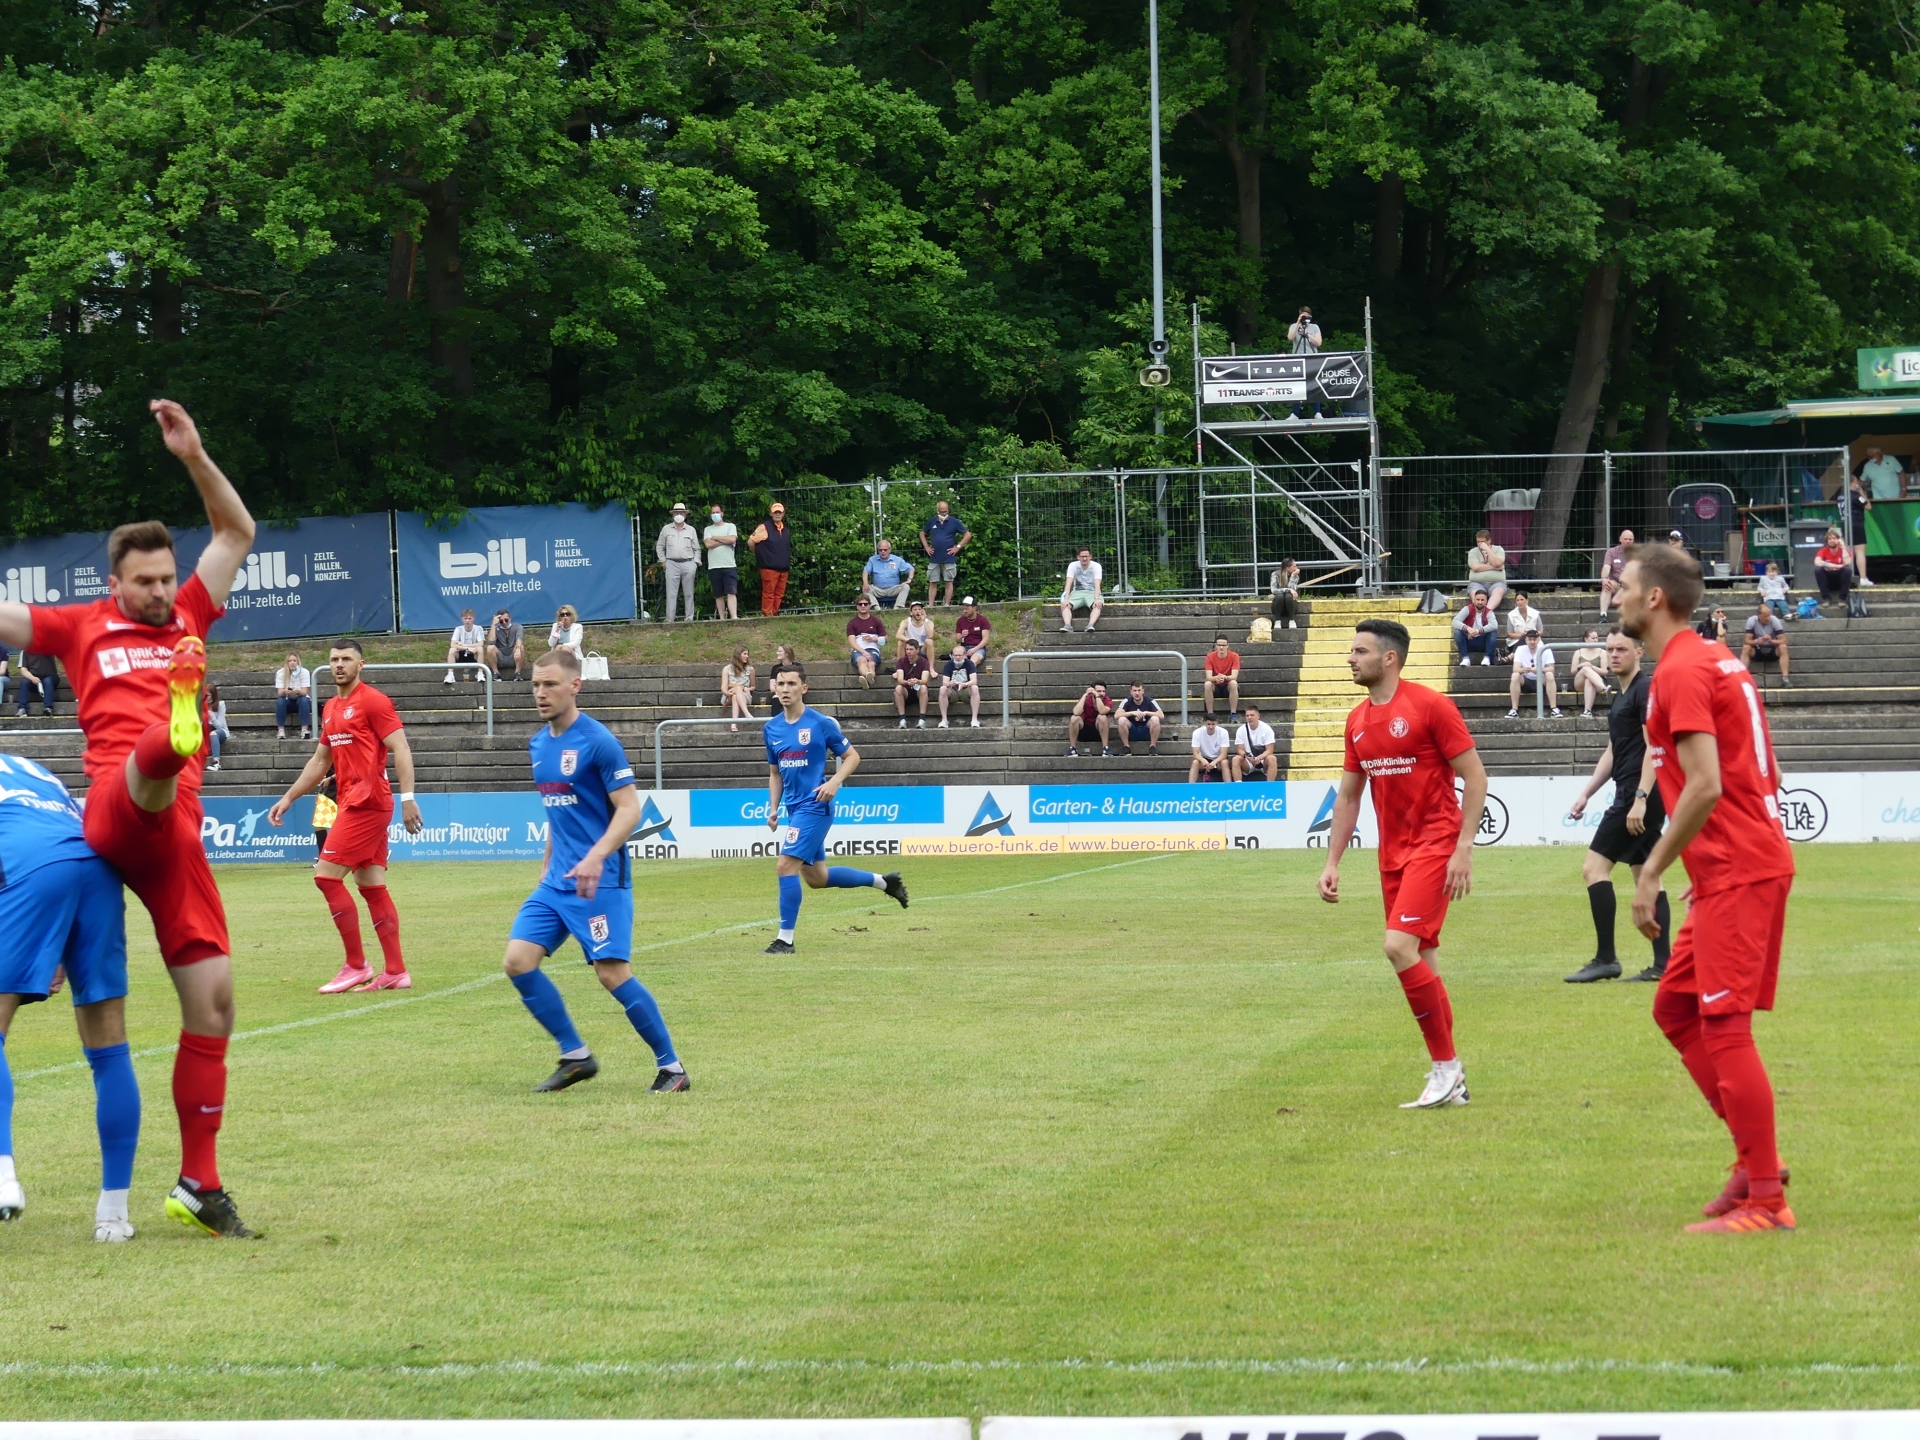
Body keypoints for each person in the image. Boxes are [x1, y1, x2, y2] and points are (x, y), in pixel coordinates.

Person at [0, 399, 257, 1238]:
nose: (158, 592)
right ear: (114, 583)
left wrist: (194, 455)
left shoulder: (191, 611)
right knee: (147, 775)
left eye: (164, 578)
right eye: (143, 582)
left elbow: (237, 532)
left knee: (214, 1002)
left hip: (176, 836)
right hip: (116, 807)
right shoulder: (79, 626)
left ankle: (199, 1184)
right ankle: (172, 734)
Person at [1618, 541, 1797, 1233]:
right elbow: (1757, 770)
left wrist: (1653, 870)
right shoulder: (1713, 659)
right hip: (1732, 866)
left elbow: (1706, 784)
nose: (1616, 594)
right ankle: (1756, 1161)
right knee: (1675, 1008)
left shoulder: (1683, 670)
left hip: (1739, 868)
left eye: (1625, 585)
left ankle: (1766, 1199)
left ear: (1654, 598)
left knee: (1723, 1024)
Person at [1317, 619, 1488, 1109]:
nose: (1350, 658)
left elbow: (1475, 777)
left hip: (1435, 844)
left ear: (1388, 658)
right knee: (1423, 961)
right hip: (1392, 855)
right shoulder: (1356, 720)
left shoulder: (1431, 706)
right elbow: (1349, 797)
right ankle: (1452, 1076)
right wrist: (1332, 861)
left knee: (1397, 946)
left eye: (1360, 651)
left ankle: (1446, 1068)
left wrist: (1464, 846)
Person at [501, 648, 687, 1093]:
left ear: (575, 686)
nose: (540, 693)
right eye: (535, 685)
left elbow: (629, 809)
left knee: (611, 973)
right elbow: (559, 810)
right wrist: (548, 861)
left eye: (550, 684)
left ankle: (673, 1069)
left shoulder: (598, 741)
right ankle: (576, 1056)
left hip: (600, 880)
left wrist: (596, 855)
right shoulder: (538, 744)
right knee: (518, 962)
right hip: (557, 881)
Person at [0, 752, 142, 1242]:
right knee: (109, 1045)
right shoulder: (29, 767)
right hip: (95, 866)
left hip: (30, 866)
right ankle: (114, 1216)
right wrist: (55, 940)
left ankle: (2, 1176)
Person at [267, 638, 426, 995]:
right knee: (371, 885)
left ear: (360, 664)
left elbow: (400, 747)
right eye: (334, 659)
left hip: (368, 802)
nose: (339, 665)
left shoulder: (374, 701)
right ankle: (396, 971)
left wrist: (408, 798)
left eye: (346, 659)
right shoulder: (330, 708)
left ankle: (357, 965)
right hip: (351, 800)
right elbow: (319, 761)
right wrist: (289, 797)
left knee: (326, 877)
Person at [760, 663, 908, 955]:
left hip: (816, 806)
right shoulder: (771, 728)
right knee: (818, 879)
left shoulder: (820, 723)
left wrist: (835, 781)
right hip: (794, 810)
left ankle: (785, 940)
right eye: (781, 684)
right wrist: (773, 808)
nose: (786, 689)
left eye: (792, 684)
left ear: (804, 688)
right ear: (775, 688)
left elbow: (852, 756)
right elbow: (775, 773)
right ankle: (884, 882)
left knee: (785, 865)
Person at [1564, 627, 1669, 984]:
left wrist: (1640, 798)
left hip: (1638, 794)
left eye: (1621, 649)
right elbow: (1613, 751)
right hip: (1637, 792)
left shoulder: (1644, 690)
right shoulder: (1623, 695)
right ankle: (1663, 965)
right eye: (1609, 649)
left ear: (1639, 652)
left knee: (1594, 869)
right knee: (1645, 874)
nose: (1613, 655)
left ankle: (1606, 959)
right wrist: (1587, 793)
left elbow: (1655, 748)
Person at [655, 503, 702, 623]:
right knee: (671, 593)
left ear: (685, 515)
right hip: (671, 563)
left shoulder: (691, 530)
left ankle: (689, 619)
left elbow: (697, 549)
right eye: (676, 512)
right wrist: (663, 561)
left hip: (688, 563)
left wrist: (695, 563)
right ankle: (670, 619)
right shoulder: (666, 529)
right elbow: (660, 546)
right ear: (673, 515)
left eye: (681, 513)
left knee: (689, 593)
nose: (679, 515)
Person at [919, 500, 971, 607]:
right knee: (933, 581)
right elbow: (922, 534)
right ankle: (931, 606)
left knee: (949, 581)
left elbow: (967, 535)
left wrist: (957, 547)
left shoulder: (954, 522)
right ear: (937, 510)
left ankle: (947, 605)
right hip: (934, 557)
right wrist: (927, 547)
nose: (944, 513)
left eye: (946, 511)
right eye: (942, 511)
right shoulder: (932, 521)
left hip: (949, 557)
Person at [748, 503, 792, 616]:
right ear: (771, 513)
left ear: (783, 513)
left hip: (783, 568)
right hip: (769, 567)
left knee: (779, 593)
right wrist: (759, 554)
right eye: (775, 512)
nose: (777, 514)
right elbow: (751, 542)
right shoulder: (764, 527)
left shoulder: (785, 530)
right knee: (769, 593)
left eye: (779, 512)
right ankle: (767, 616)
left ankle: (774, 614)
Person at [1507, 629, 1562, 718]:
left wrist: (1540, 670)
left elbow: (1552, 669)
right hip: (1526, 681)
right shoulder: (1520, 649)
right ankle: (1514, 709)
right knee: (1515, 675)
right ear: (1526, 640)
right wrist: (1524, 670)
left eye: (1534, 639)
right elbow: (1515, 669)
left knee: (1549, 675)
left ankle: (1554, 708)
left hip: (1541, 680)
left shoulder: (1545, 649)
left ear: (1538, 639)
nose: (1532, 642)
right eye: (1530, 639)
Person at [703, 504, 740, 620]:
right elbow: (708, 544)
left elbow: (732, 539)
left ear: (722, 513)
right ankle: (722, 618)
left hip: (729, 565)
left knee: (731, 592)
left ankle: (734, 617)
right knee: (718, 594)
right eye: (713, 513)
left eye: (717, 512)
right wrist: (724, 540)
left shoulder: (730, 526)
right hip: (714, 566)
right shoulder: (708, 529)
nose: (715, 515)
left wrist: (716, 538)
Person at [1742, 602, 1790, 683]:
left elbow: (1784, 640)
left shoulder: (1774, 620)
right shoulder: (1752, 620)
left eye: (1769, 615)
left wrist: (1772, 641)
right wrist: (1756, 642)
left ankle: (1785, 678)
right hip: (1757, 650)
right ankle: (1742, 677)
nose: (1768, 618)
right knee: (1746, 647)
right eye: (1765, 616)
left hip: (1772, 650)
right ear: (1758, 615)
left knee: (1783, 647)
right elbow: (1746, 640)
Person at [862, 539, 915, 611]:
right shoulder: (872, 560)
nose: (883, 552)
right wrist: (865, 583)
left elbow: (911, 569)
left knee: (906, 587)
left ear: (889, 550)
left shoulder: (897, 560)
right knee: (865, 588)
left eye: (885, 550)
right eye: (880, 550)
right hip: (878, 589)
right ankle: (876, 608)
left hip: (893, 589)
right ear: (878, 550)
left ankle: (897, 608)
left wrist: (909, 579)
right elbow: (865, 572)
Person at [1059, 548, 1104, 633]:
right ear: (1078, 557)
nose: (1084, 558)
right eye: (1082, 556)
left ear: (1090, 557)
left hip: (1092, 592)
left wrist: (1097, 598)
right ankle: (1067, 625)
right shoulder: (1073, 565)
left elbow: (1097, 583)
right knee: (1065, 605)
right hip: (1077, 592)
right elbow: (1068, 583)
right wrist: (1066, 599)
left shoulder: (1096, 566)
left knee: (1098, 605)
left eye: (1086, 556)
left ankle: (1090, 625)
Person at [937, 643, 980, 728]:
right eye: (955, 655)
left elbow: (974, 681)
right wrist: (950, 683)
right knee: (943, 689)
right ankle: (944, 720)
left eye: (960, 655)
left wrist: (964, 684)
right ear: (952, 655)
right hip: (952, 691)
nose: (957, 657)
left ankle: (974, 719)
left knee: (975, 688)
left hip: (965, 691)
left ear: (965, 655)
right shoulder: (949, 664)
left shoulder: (969, 663)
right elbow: (944, 682)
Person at [1569, 629, 1609, 717]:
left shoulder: (1602, 652)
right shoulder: (1578, 652)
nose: (1596, 640)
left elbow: (1605, 672)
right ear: (1586, 639)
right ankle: (1604, 688)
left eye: (1597, 638)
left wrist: (1592, 667)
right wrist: (1581, 666)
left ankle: (1587, 710)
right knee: (1585, 669)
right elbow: (1573, 671)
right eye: (1593, 638)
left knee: (1588, 680)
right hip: (1580, 682)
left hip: (1597, 682)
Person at [846, 599, 886, 687]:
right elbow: (852, 642)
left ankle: (867, 679)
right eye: (860, 604)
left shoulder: (876, 621)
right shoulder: (852, 623)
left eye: (865, 604)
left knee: (871, 664)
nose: (863, 606)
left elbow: (886, 638)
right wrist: (863, 652)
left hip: (873, 648)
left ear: (869, 605)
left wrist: (874, 639)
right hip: (858, 650)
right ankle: (869, 677)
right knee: (862, 660)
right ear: (857, 606)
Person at [1453, 590, 1499, 665]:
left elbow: (1494, 625)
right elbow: (1455, 621)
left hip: (1482, 642)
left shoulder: (1489, 612)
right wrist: (1468, 629)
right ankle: (1465, 658)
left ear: (1486, 601)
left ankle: (1487, 658)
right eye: (1478, 599)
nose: (1480, 602)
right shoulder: (1468, 608)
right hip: (1468, 641)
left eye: (1482, 600)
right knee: (1457, 632)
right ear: (1474, 600)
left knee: (1493, 632)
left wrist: (1477, 631)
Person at [893, 639, 932, 728]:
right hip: (906, 690)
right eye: (907, 649)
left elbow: (925, 680)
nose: (908, 652)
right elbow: (900, 679)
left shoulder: (924, 662)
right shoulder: (901, 661)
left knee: (923, 687)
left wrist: (917, 681)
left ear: (917, 650)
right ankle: (902, 719)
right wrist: (907, 682)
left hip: (918, 689)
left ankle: (922, 719)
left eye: (911, 649)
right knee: (898, 688)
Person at [1467, 530, 1509, 611]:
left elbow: (1497, 563)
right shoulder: (1473, 552)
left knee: (1498, 591)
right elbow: (1475, 567)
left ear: (1489, 540)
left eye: (1482, 542)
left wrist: (1487, 549)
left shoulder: (1498, 549)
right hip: (1477, 583)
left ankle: (1486, 612)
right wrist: (1495, 567)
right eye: (1478, 542)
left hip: (1497, 583)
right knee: (1476, 594)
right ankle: (1481, 612)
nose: (1480, 544)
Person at [1115, 684, 1162, 755]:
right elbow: (1116, 715)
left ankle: (1153, 747)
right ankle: (1126, 747)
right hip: (1132, 731)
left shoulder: (1150, 700)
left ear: (1143, 691)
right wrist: (1132, 713)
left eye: (1139, 690)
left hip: (1147, 731)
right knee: (1121, 720)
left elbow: (1161, 715)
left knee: (1155, 719)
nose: (1137, 693)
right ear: (1131, 692)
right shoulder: (1126, 700)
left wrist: (1146, 713)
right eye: (1134, 690)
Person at [274, 652, 312, 739]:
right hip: (287, 700)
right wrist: (285, 691)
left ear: (298, 662)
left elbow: (304, 692)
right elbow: (279, 693)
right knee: (280, 701)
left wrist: (297, 691)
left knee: (304, 699)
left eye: (294, 661)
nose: (292, 663)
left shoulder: (304, 672)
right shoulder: (280, 673)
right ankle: (281, 731)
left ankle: (304, 730)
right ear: (286, 663)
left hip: (301, 701)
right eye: (290, 661)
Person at [1067, 683, 1112, 757]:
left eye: (1103, 691)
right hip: (1084, 730)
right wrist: (1085, 695)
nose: (1102, 694)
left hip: (1099, 732)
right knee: (1074, 718)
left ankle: (1105, 748)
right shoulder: (1086, 699)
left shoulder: (1107, 700)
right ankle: (1073, 749)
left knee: (1102, 717)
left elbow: (1102, 711)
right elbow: (1076, 712)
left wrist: (1097, 696)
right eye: (1099, 691)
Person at [1202, 636, 1241, 720]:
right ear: (1216, 646)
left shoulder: (1234, 656)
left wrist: (1225, 677)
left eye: (1223, 645)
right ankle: (1210, 714)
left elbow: (1234, 676)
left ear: (1228, 646)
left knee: (1233, 683)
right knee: (1207, 684)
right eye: (1219, 645)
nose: (1221, 647)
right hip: (1215, 686)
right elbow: (1209, 677)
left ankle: (1233, 714)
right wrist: (1216, 678)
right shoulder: (1210, 657)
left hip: (1228, 686)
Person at [1235, 705, 1278, 781]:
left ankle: (1270, 785)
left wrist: (1259, 758)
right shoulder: (1241, 730)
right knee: (1236, 759)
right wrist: (1247, 756)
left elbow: (1270, 750)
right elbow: (1240, 750)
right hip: (1248, 761)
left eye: (1252, 715)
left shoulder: (1267, 729)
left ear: (1258, 716)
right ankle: (1238, 785)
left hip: (1263, 760)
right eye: (1247, 716)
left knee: (1272, 758)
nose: (1249, 717)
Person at [1845, 472, 1873, 586]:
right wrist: (1861, 491)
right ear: (1853, 483)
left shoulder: (1840, 496)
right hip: (1856, 524)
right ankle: (1863, 578)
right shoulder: (1856, 496)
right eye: (1856, 482)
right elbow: (1868, 506)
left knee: (1848, 552)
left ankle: (1847, 577)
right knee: (1860, 551)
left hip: (1845, 525)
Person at [1812, 527, 1852, 607]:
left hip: (1840, 580)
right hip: (1828, 580)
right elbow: (1817, 562)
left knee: (1847, 570)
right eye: (1829, 539)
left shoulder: (1844, 550)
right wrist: (1836, 566)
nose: (1832, 540)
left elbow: (1847, 562)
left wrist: (1843, 546)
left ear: (1838, 540)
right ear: (1827, 541)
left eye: (1834, 538)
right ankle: (1826, 599)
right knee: (1818, 570)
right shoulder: (1823, 551)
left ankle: (1842, 599)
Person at [445, 608, 485, 683]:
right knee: (452, 650)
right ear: (462, 619)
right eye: (465, 618)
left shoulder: (479, 628)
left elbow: (481, 643)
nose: (467, 621)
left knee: (480, 649)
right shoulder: (458, 629)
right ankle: (450, 675)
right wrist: (467, 648)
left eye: (469, 618)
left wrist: (463, 644)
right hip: (461, 654)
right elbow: (452, 644)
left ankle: (480, 673)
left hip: (473, 655)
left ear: (473, 619)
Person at [1599, 529, 1635, 614]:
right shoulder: (1611, 552)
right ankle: (1603, 614)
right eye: (1625, 539)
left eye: (1630, 539)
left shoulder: (1637, 554)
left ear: (1633, 540)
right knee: (1608, 584)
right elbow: (1606, 567)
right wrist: (1604, 578)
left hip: (1631, 587)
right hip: (1617, 585)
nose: (1628, 541)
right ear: (1620, 539)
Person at [1188, 713, 1232, 781]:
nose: (1211, 727)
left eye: (1213, 724)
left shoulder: (1223, 732)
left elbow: (1224, 754)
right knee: (1195, 762)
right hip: (1204, 759)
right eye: (1208, 724)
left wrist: (1214, 762)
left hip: (1218, 760)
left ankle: (1228, 785)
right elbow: (1195, 753)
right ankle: (1191, 786)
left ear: (1216, 723)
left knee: (1224, 762)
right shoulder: (1197, 732)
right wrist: (1203, 760)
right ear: (1204, 723)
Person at [721, 647, 755, 732]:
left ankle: (734, 723)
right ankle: (747, 714)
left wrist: (748, 689)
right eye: (745, 654)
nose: (747, 656)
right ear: (738, 655)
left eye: (748, 654)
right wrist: (727, 693)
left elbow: (753, 686)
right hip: (729, 695)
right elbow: (724, 686)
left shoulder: (750, 669)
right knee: (736, 692)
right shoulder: (727, 669)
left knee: (736, 696)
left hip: (745, 696)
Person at [13, 652, 58, 716]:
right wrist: (32, 678)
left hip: (50, 677)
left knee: (48, 681)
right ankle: (22, 709)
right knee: (24, 682)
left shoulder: (48, 648)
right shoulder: (25, 651)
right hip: (32, 678)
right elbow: (23, 670)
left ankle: (48, 708)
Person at [487, 607, 526, 681]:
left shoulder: (517, 627)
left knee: (520, 646)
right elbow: (491, 642)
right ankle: (496, 673)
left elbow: (519, 638)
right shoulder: (496, 628)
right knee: (490, 648)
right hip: (500, 657)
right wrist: (493, 625)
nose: (504, 622)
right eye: (501, 621)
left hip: (514, 656)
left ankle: (517, 673)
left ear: (510, 618)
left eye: (506, 620)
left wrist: (518, 649)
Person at [895, 599, 936, 664]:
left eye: (920, 609)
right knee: (900, 642)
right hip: (910, 647)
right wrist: (912, 641)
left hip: (922, 648)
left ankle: (931, 667)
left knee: (929, 641)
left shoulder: (929, 622)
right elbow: (898, 635)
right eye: (915, 609)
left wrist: (924, 621)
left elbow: (930, 636)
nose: (918, 611)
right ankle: (900, 666)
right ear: (911, 613)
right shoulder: (906, 622)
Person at [955, 598, 991, 667]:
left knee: (974, 659)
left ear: (974, 608)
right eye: (963, 609)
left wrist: (975, 649)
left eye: (967, 609)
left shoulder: (982, 620)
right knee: (958, 658)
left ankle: (971, 672)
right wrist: (962, 635)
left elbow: (985, 639)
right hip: (964, 647)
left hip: (978, 648)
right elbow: (957, 640)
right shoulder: (960, 621)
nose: (964, 611)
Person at [1270, 559, 1302, 628]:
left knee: (1288, 596)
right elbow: (1274, 590)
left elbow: (1293, 590)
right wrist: (1288, 589)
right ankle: (1277, 621)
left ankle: (1292, 620)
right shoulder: (1275, 574)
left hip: (1291, 606)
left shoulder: (1295, 576)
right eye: (1294, 566)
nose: (1296, 568)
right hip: (1278, 606)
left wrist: (1293, 577)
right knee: (1279, 596)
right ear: (1287, 568)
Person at [205, 684, 230, 772]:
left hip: (219, 731)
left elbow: (220, 726)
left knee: (213, 733)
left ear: (213, 695)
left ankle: (216, 762)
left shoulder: (220, 704)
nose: (205, 697)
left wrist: (211, 716)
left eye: (208, 695)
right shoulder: (201, 705)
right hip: (206, 730)